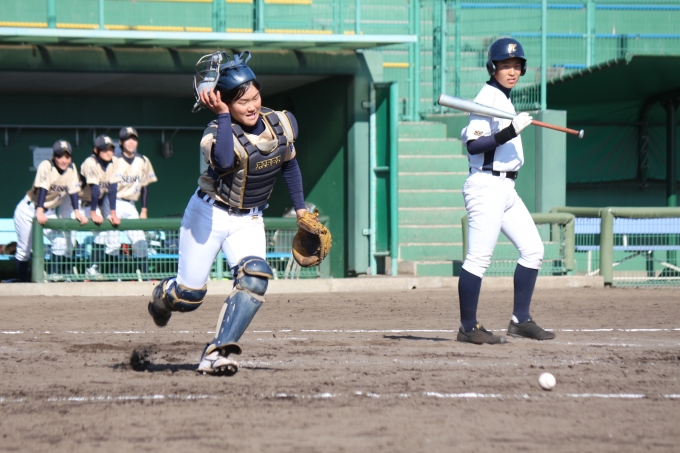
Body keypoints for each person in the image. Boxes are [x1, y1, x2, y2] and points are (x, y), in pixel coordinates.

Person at [148, 51, 309, 376]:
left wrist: (301, 211)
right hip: (209, 214)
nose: (251, 106)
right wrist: (222, 114)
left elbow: (289, 165)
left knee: (255, 278)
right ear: (224, 102)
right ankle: (163, 295)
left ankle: (217, 353)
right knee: (188, 297)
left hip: (249, 218)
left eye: (255, 97)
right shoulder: (215, 132)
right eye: (241, 101)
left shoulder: (281, 123)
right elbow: (223, 162)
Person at [457, 38, 555, 344]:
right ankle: (468, 327)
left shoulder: (502, 98)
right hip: (486, 185)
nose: (512, 71)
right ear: (492, 68)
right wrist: (511, 131)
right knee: (478, 259)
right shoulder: (486, 97)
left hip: (506, 187)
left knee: (534, 250)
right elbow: (474, 145)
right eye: (505, 65)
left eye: (516, 66)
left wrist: (510, 128)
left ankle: (520, 320)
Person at [13, 140, 88, 282]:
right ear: (54, 156)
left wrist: (77, 212)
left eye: (67, 156)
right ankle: (23, 283)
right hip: (29, 209)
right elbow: (43, 189)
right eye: (60, 156)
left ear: (71, 157)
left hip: (50, 211)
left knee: (60, 241)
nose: (64, 160)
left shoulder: (72, 168)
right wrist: (39, 211)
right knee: (24, 250)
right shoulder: (46, 165)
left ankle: (52, 276)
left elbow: (73, 192)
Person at [107, 127, 158, 272]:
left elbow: (145, 186)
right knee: (113, 244)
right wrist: (112, 212)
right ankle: (113, 278)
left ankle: (146, 277)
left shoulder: (143, 160)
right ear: (121, 142)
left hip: (130, 204)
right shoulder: (114, 160)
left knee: (140, 242)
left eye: (134, 139)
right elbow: (110, 188)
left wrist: (144, 210)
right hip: (113, 202)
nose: (131, 142)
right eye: (127, 139)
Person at [79, 134, 122, 275]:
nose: (109, 152)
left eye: (111, 149)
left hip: (94, 204)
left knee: (104, 234)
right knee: (67, 241)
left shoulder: (114, 161)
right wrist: (93, 213)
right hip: (76, 203)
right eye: (105, 149)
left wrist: (113, 213)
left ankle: (93, 268)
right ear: (96, 150)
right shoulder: (90, 162)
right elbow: (95, 189)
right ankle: (61, 273)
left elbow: (113, 189)